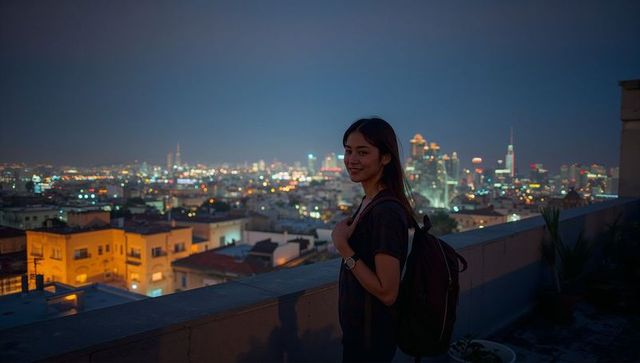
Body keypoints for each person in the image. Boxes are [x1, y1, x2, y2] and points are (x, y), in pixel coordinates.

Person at [332, 118, 414, 362]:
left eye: (363, 152)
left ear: (385, 158)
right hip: (361, 331)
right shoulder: (370, 202)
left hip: (371, 337)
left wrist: (343, 247)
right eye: (348, 151)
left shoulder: (386, 212)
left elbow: (387, 292)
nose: (351, 160)